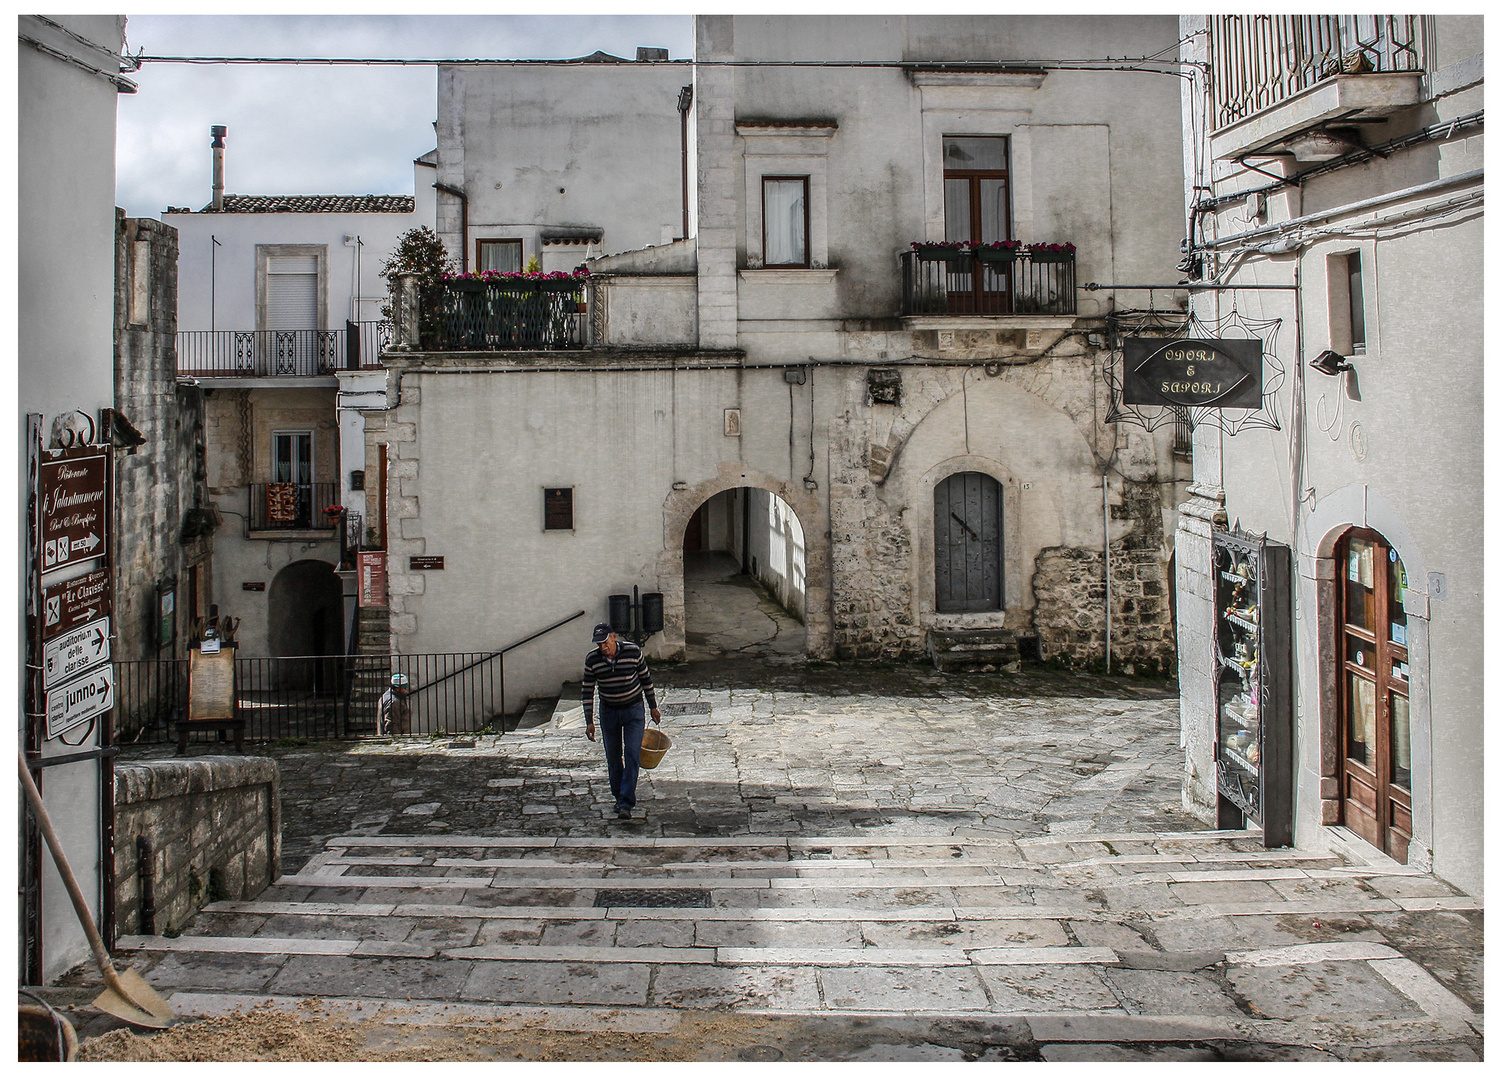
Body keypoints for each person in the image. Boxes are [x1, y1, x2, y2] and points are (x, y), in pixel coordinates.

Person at [581, 622, 661, 819]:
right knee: (613, 757)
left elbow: (646, 680)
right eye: (599, 644)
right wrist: (589, 721)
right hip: (609, 711)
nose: (603, 647)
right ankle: (619, 797)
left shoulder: (633, 652)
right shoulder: (592, 660)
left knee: (632, 753)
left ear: (614, 637)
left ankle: (625, 801)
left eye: (605, 642)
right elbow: (587, 690)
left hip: (633, 709)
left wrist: (653, 707)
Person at [378, 672, 412, 736]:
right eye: (404, 688)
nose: (406, 690)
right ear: (397, 688)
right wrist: (397, 739)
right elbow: (391, 725)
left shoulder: (386, 696)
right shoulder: (394, 702)